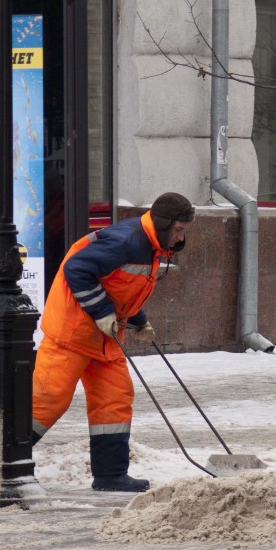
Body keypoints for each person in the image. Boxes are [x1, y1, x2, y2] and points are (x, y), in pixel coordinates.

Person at [31, 192, 196, 493]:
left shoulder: (152, 247)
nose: (181, 237)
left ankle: (110, 474)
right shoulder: (128, 242)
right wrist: (102, 313)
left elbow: (119, 287)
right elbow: (76, 270)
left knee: (115, 400)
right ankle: (1, 461)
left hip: (105, 338)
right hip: (73, 332)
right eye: (179, 230)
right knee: (48, 400)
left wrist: (138, 320)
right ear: (163, 225)